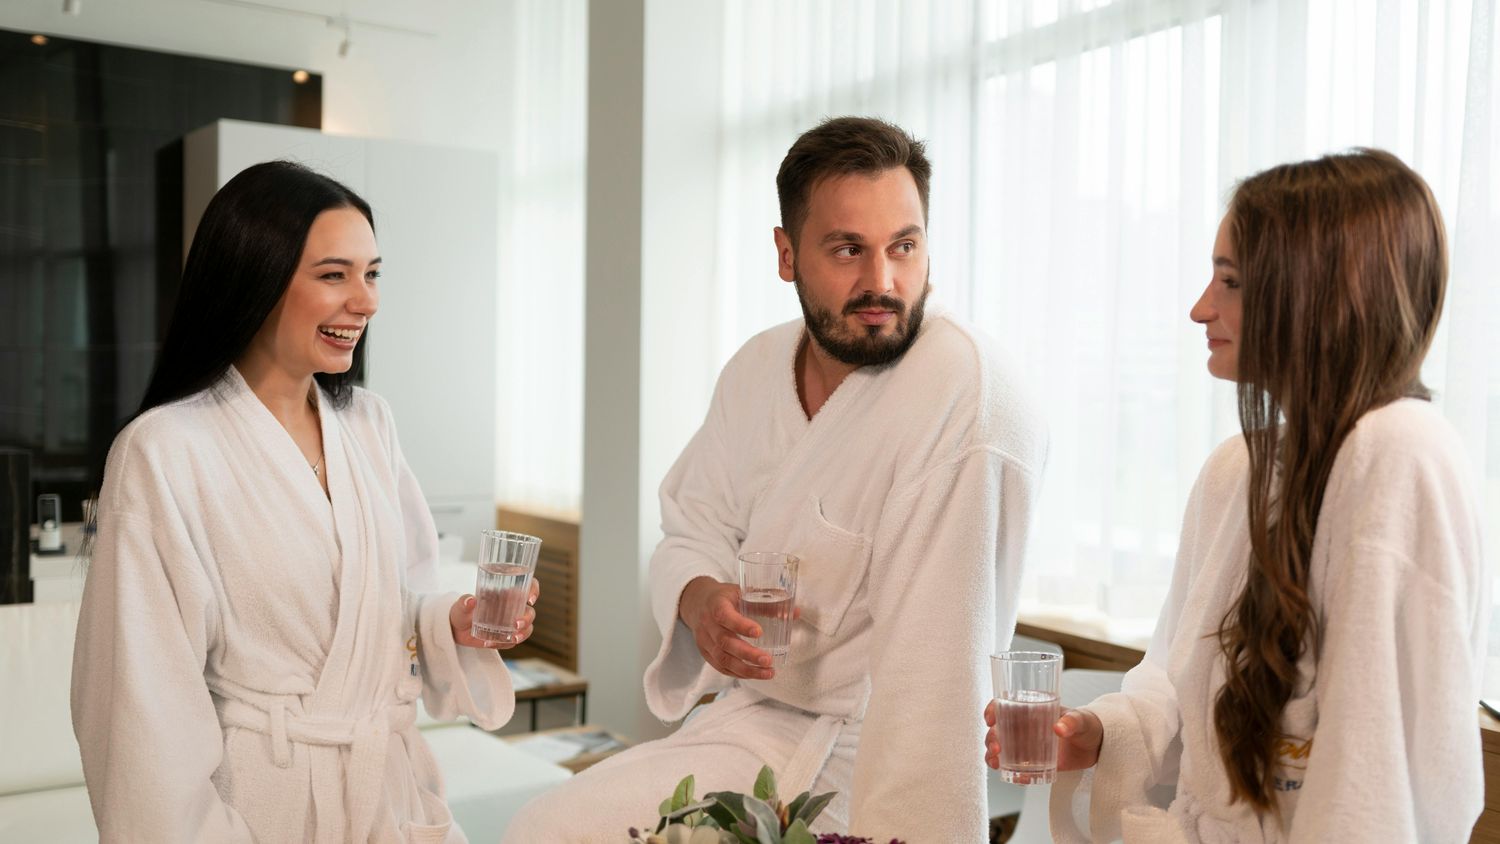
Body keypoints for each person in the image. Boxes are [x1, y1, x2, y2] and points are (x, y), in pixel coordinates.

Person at [507, 117, 1047, 842]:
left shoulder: (965, 393)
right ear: (787, 253)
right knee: (545, 827)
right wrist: (702, 604)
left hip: (867, 762)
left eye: (904, 247)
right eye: (848, 250)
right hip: (747, 726)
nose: (882, 282)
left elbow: (936, 686)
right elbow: (690, 529)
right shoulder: (758, 369)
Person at [984, 149, 1487, 842]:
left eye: (1230, 281)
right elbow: (1177, 670)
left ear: (1315, 292)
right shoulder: (1240, 468)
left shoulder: (1401, 457)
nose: (1200, 309)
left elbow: (1373, 788)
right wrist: (1102, 733)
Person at [71, 161, 536, 842]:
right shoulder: (164, 451)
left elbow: (381, 610)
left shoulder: (368, 424)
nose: (367, 300)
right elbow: (138, 711)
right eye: (334, 275)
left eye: (372, 273)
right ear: (253, 277)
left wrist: (447, 623)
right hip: (264, 809)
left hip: (390, 796)